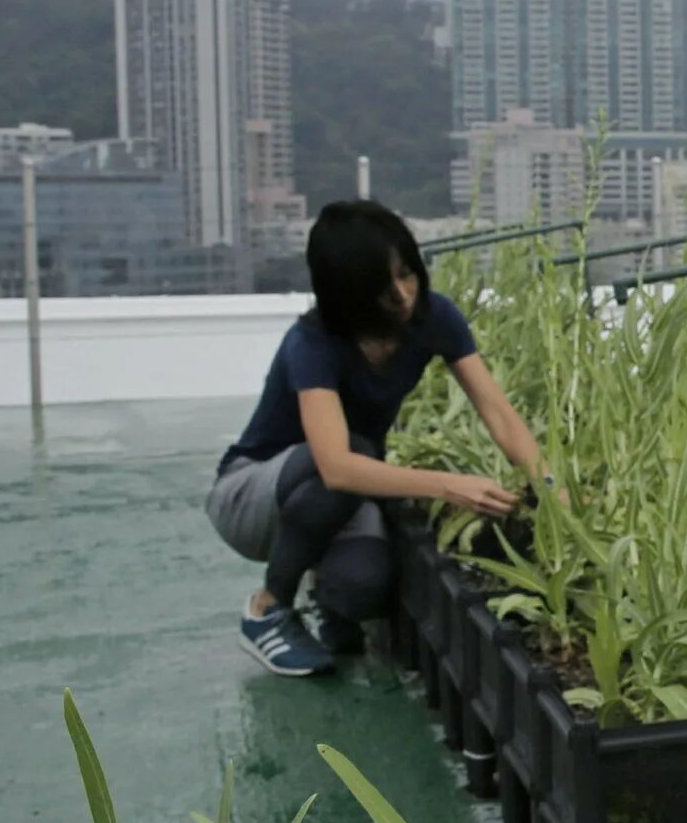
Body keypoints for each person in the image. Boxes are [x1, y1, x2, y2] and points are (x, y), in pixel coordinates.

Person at [207, 201, 549, 677]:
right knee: (355, 450)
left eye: (407, 273)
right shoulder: (313, 343)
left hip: (342, 494)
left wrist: (552, 487)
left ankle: (323, 588)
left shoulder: (433, 318)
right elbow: (335, 466)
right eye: (381, 287)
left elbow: (498, 412)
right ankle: (269, 607)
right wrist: (451, 486)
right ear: (346, 293)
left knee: (363, 587)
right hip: (252, 496)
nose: (403, 294)